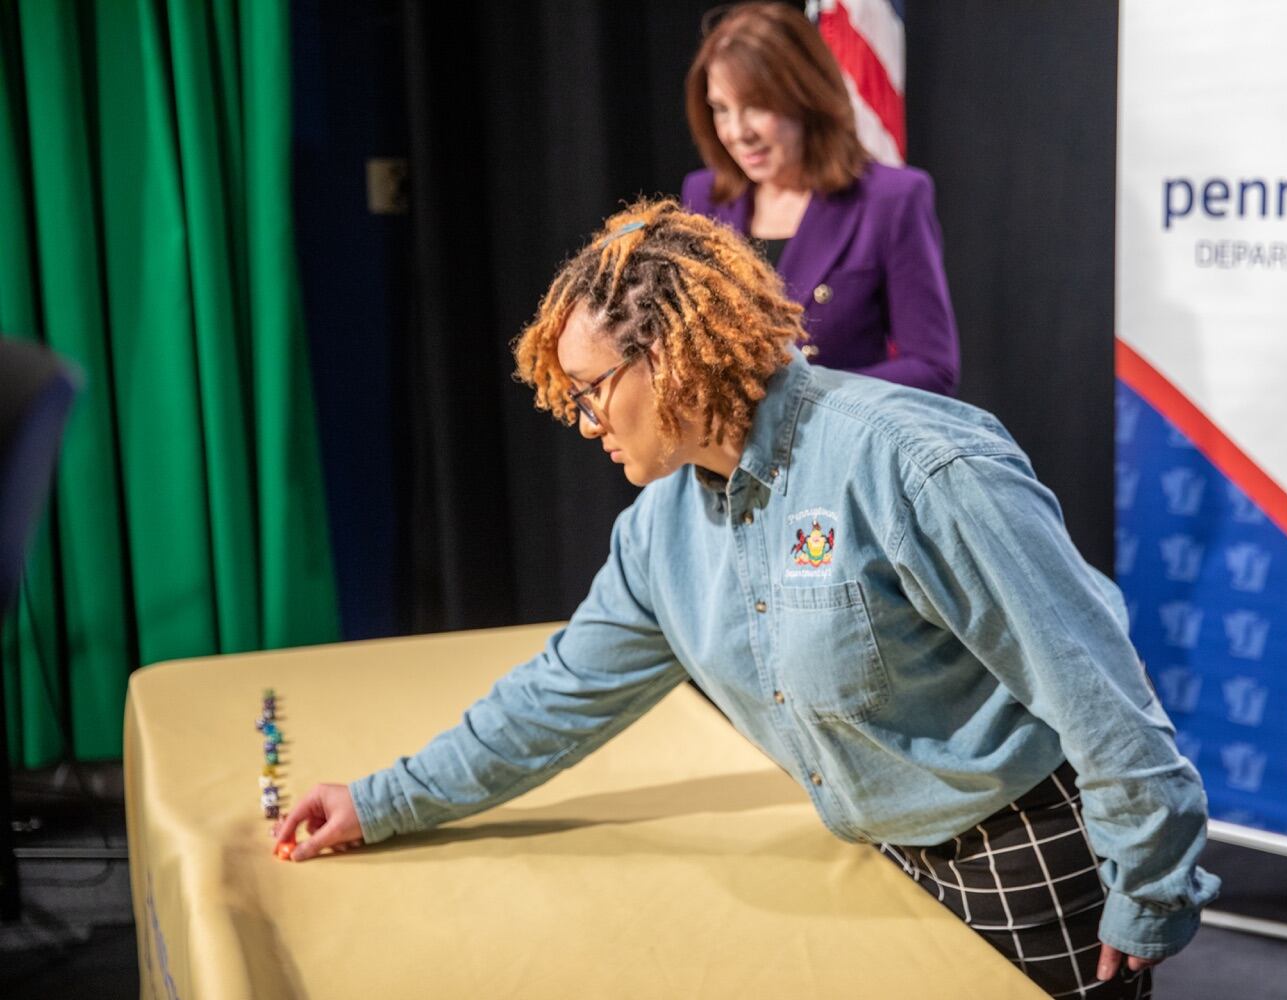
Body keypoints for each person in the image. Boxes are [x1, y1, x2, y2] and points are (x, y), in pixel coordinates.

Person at [276, 200, 1217, 1000]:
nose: (585, 421)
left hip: (1033, 863)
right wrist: (379, 801)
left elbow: (1096, 686)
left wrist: (1151, 885)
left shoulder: (908, 461)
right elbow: (552, 701)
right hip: (888, 865)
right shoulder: (660, 534)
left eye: (595, 389)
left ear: (675, 355)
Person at [681, 2, 960, 396]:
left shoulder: (891, 199)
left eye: (757, 106)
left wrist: (804, 393)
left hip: (832, 446)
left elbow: (933, 369)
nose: (737, 132)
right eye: (721, 110)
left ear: (807, 96)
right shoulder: (703, 195)